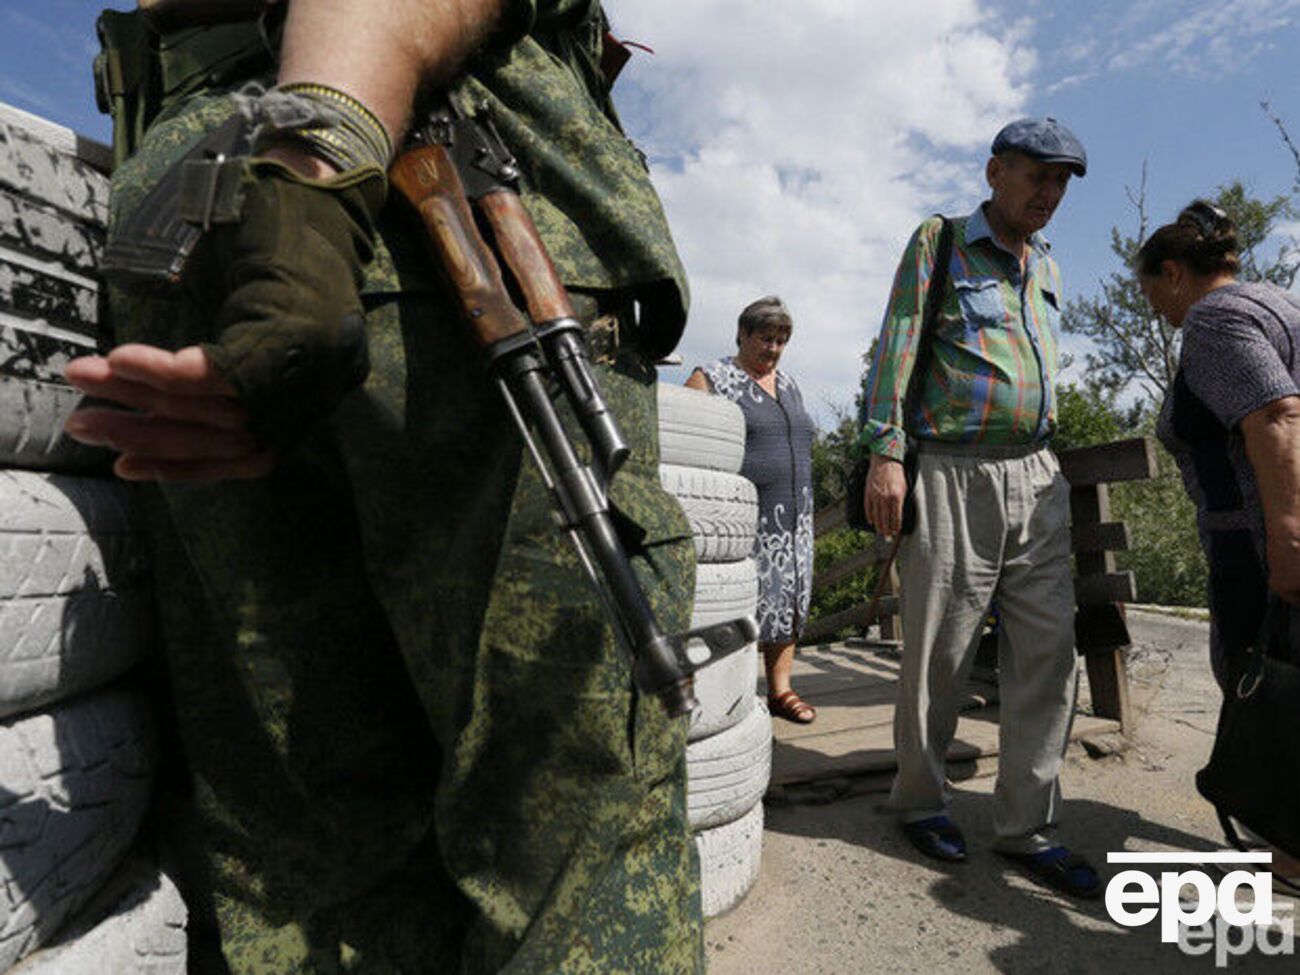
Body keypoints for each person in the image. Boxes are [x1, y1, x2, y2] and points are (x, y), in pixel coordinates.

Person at [69, 1, 702, 972]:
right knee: (568, 857)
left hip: (199, 223)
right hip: (415, 201)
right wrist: (320, 173)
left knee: (315, 861)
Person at [858, 117, 1100, 898]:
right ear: (996, 170)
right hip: (955, 470)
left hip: (1039, 474)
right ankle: (921, 801)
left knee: (1048, 652)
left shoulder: (1048, 267)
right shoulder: (942, 242)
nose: (1050, 193)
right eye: (1038, 175)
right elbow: (899, 341)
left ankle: (1028, 825)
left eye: (1062, 181)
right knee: (941, 650)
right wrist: (887, 451)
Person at [1139, 200, 1300, 684]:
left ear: (1171, 273)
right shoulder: (1280, 302)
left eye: (1147, 290)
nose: (1151, 306)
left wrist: (1289, 542)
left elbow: (1277, 414)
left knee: (1264, 709)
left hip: (1256, 551)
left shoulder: (1211, 319)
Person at [685, 296, 817, 723]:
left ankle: (781, 690)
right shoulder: (713, 378)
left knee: (789, 603)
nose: (774, 349)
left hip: (794, 519)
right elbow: (686, 442)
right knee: (740, 607)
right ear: (742, 334)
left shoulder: (790, 384)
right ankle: (732, 694)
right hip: (742, 521)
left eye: (781, 341)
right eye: (765, 338)